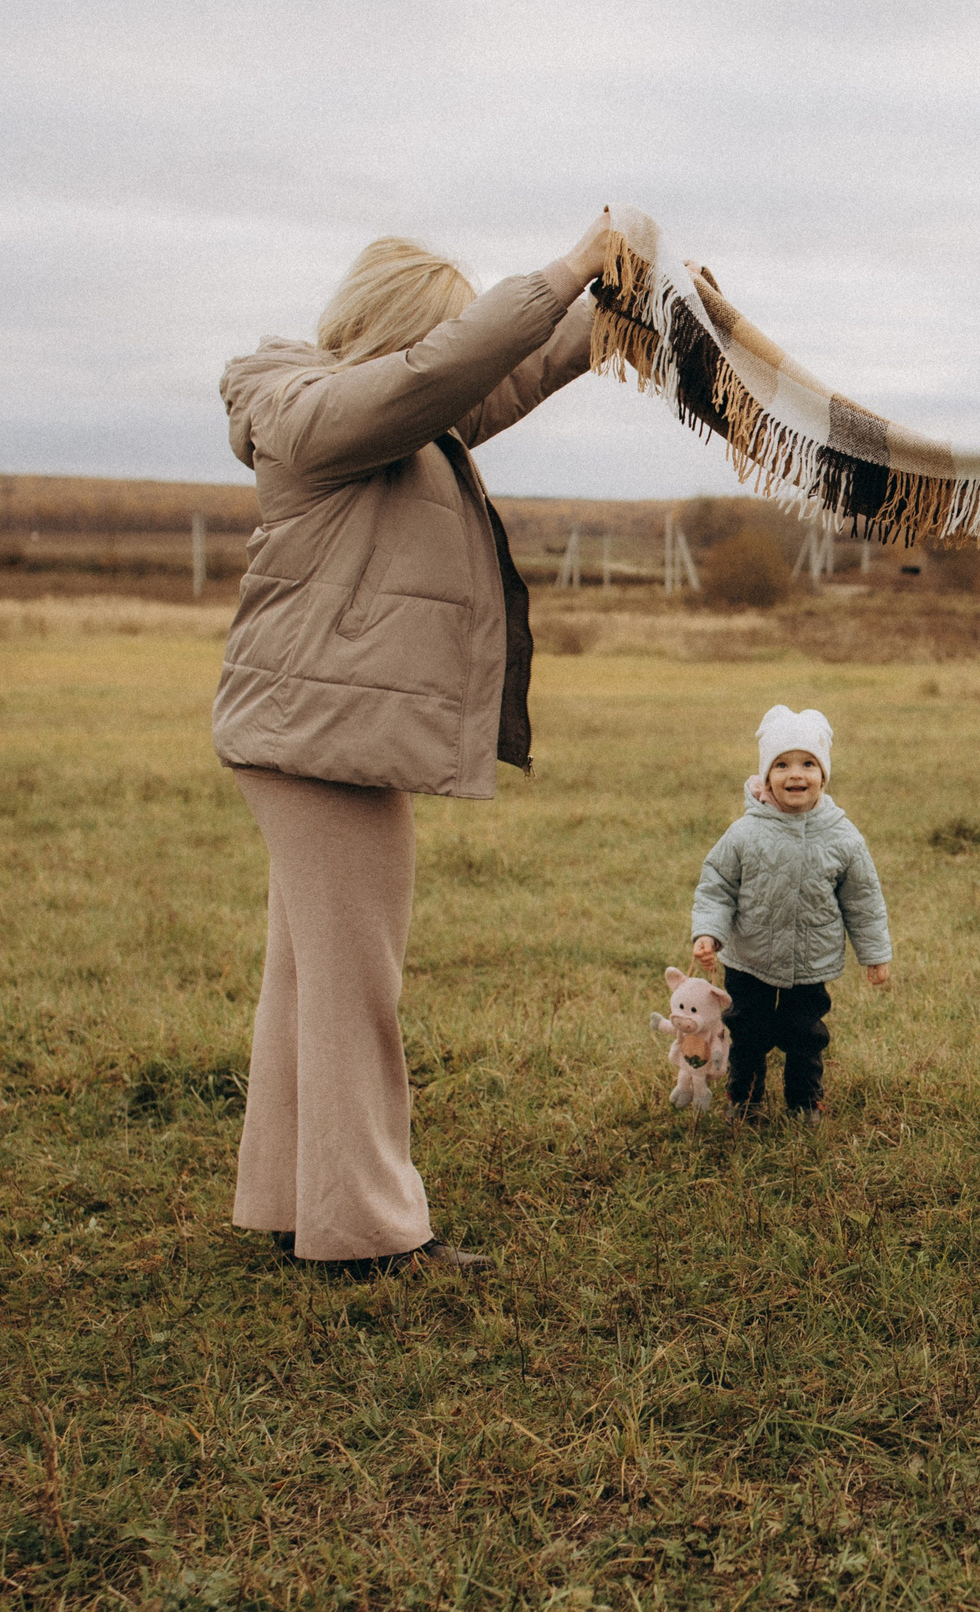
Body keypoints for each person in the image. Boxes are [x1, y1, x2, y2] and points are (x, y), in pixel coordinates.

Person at [214, 214, 613, 1275]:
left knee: (312, 983)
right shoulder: (307, 407)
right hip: (314, 743)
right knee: (355, 994)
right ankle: (367, 1236)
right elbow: (431, 382)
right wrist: (562, 272)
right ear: (397, 332)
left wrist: (603, 322)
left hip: (312, 735)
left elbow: (490, 388)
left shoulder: (384, 422)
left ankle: (297, 1203)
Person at [690, 706, 893, 1123]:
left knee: (806, 1035)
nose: (795, 774)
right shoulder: (746, 832)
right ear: (766, 777)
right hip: (750, 960)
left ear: (824, 774)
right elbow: (717, 885)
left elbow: (863, 900)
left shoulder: (842, 835)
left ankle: (804, 1103)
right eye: (781, 765)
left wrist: (875, 954)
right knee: (747, 1032)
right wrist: (709, 932)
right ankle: (743, 1100)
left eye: (808, 764)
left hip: (810, 963)